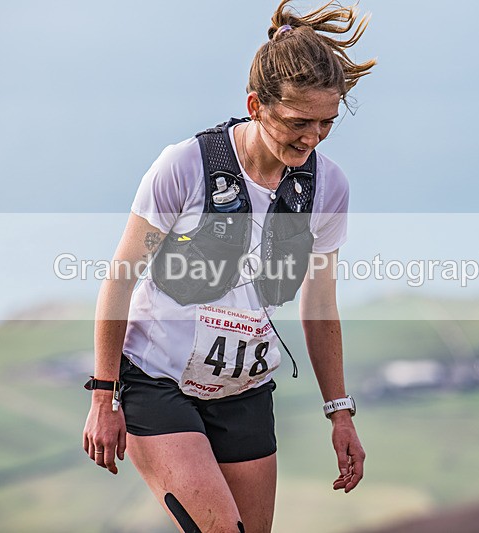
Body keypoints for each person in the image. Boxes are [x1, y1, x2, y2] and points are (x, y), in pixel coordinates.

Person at [82, 1, 376, 531]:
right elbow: (121, 277)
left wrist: (340, 411)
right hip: (157, 380)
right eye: (298, 122)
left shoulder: (328, 187)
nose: (312, 138)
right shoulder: (185, 166)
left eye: (326, 123)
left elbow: (320, 302)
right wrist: (104, 395)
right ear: (256, 105)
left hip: (244, 391)